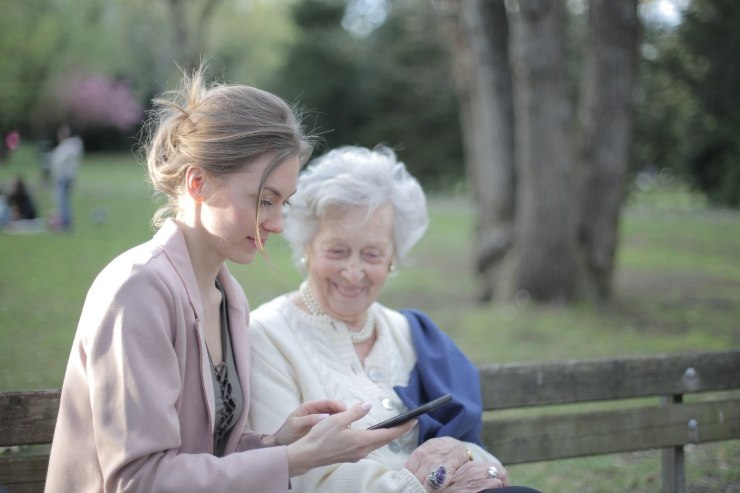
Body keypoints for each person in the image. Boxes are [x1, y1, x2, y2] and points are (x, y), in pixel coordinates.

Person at [45, 69, 414, 493]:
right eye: (263, 200)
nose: (276, 223)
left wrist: (277, 442)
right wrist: (295, 459)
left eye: (283, 203)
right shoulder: (138, 290)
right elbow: (140, 480)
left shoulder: (228, 295)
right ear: (198, 183)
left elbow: (205, 455)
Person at [247, 146, 542, 492]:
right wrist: (420, 486)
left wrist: (468, 458)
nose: (354, 272)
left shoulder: (411, 334)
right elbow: (300, 476)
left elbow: (479, 456)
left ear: (392, 259)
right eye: (337, 251)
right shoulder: (265, 336)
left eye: (372, 254)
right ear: (307, 249)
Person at [49, 123, 84, 230]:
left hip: (65, 177)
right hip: (63, 177)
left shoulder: (71, 145)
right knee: (62, 200)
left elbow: (59, 161)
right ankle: (64, 221)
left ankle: (65, 222)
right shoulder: (67, 146)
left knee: (62, 200)